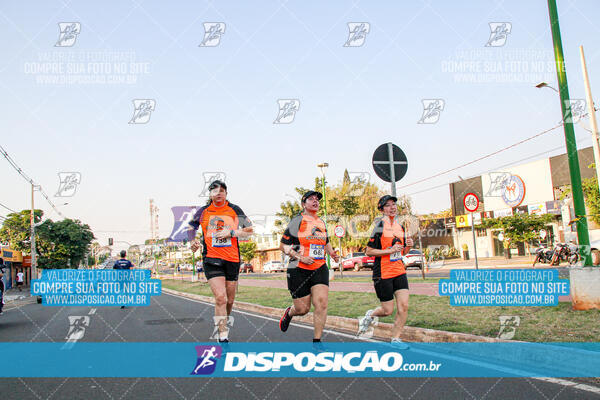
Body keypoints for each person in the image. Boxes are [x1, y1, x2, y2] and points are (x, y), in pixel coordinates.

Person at [188, 180, 253, 343]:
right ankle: (222, 335)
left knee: (230, 301)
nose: (218, 193)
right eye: (214, 191)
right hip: (211, 259)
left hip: (232, 259)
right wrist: (192, 241)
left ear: (226, 193)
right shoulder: (203, 211)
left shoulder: (234, 209)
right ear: (210, 194)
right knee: (221, 298)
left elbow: (249, 230)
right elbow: (191, 228)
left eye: (221, 191)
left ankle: (221, 321)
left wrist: (231, 233)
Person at [278, 191, 340, 344]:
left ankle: (317, 342)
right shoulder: (297, 221)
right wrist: (300, 257)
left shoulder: (321, 222)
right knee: (303, 309)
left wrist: (332, 253)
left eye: (317, 199)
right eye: (311, 199)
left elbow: (325, 242)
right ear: (303, 204)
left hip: (319, 267)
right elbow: (283, 246)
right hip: (298, 268)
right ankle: (290, 312)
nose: (315, 201)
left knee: (321, 303)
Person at [358, 195, 414, 349]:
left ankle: (395, 339)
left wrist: (408, 245)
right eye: (388, 205)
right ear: (382, 209)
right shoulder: (379, 226)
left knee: (404, 306)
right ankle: (370, 315)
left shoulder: (400, 227)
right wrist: (387, 251)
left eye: (394, 204)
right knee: (387, 310)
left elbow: (401, 253)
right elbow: (368, 251)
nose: (392, 207)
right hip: (383, 273)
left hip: (399, 271)